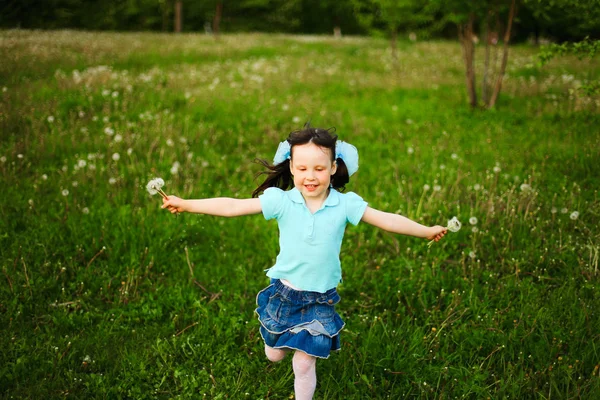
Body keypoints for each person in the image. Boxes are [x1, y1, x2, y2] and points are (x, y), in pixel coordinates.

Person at [161, 126, 447, 399]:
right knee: (275, 354)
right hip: (285, 294)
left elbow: (386, 219)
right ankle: (274, 343)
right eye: (302, 168)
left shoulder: (345, 204)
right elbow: (233, 205)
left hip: (320, 299)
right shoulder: (282, 201)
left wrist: (426, 230)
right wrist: (187, 203)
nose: (311, 176)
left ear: (333, 168)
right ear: (291, 168)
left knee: (304, 363)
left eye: (319, 169)